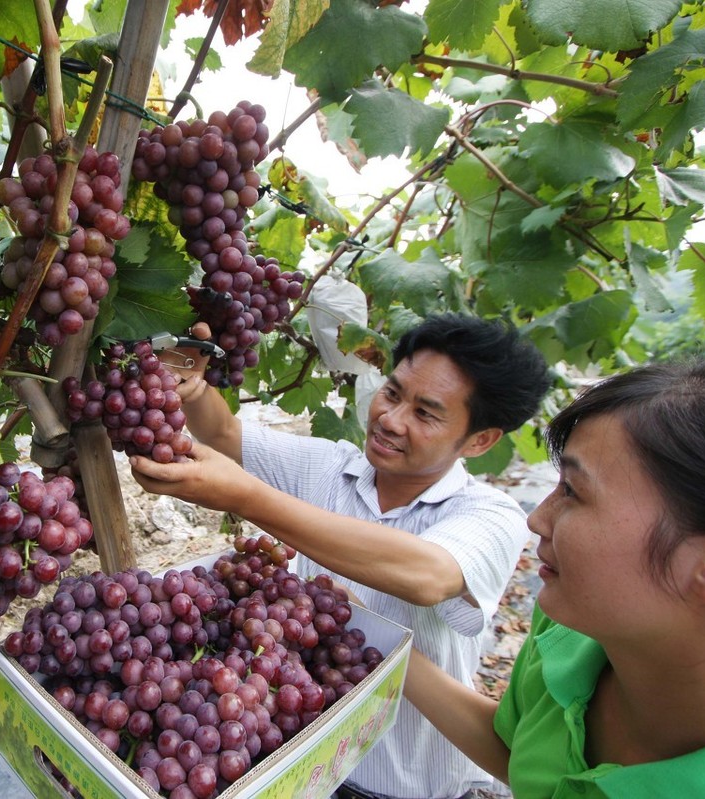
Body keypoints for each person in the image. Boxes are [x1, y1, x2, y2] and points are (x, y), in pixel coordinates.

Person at [131, 313, 553, 799]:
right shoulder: (331, 468)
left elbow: (428, 574)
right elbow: (225, 436)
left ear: (480, 440)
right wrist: (193, 390)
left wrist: (246, 498)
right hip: (307, 763)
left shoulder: (491, 515)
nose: (391, 420)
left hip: (412, 787)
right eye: (392, 394)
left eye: (426, 414)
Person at [403, 354, 705, 797]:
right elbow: (526, 755)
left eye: (572, 491)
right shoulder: (568, 633)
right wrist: (379, 642)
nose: (537, 518)